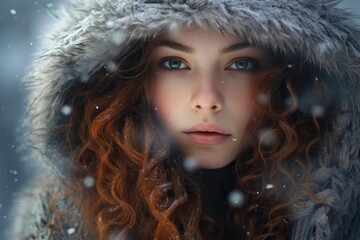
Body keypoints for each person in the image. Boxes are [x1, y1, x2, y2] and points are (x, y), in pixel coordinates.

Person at [8, 0, 360, 239]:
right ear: (126, 83)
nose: (207, 99)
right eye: (175, 63)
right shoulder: (63, 224)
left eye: (240, 64)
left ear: (288, 81)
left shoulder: (348, 215)